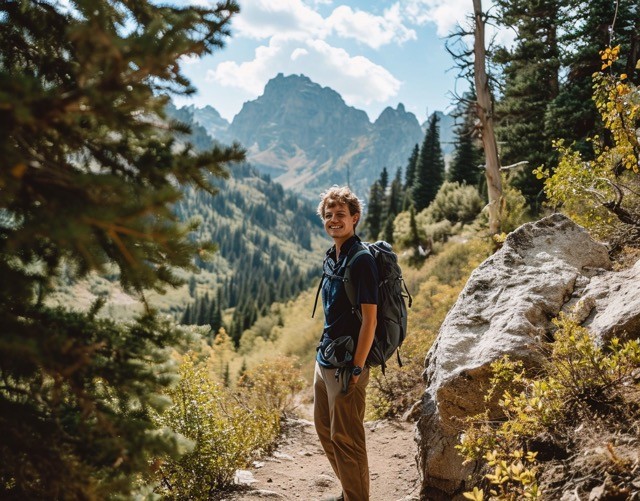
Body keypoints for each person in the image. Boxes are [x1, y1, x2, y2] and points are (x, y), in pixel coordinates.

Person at [314, 185, 378, 501]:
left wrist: (357, 366)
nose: (334, 219)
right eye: (329, 215)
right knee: (326, 432)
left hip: (347, 366)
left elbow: (370, 319)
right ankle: (351, 491)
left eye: (341, 214)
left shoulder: (361, 259)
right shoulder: (334, 255)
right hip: (325, 359)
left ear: (355, 218)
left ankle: (357, 498)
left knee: (347, 438)